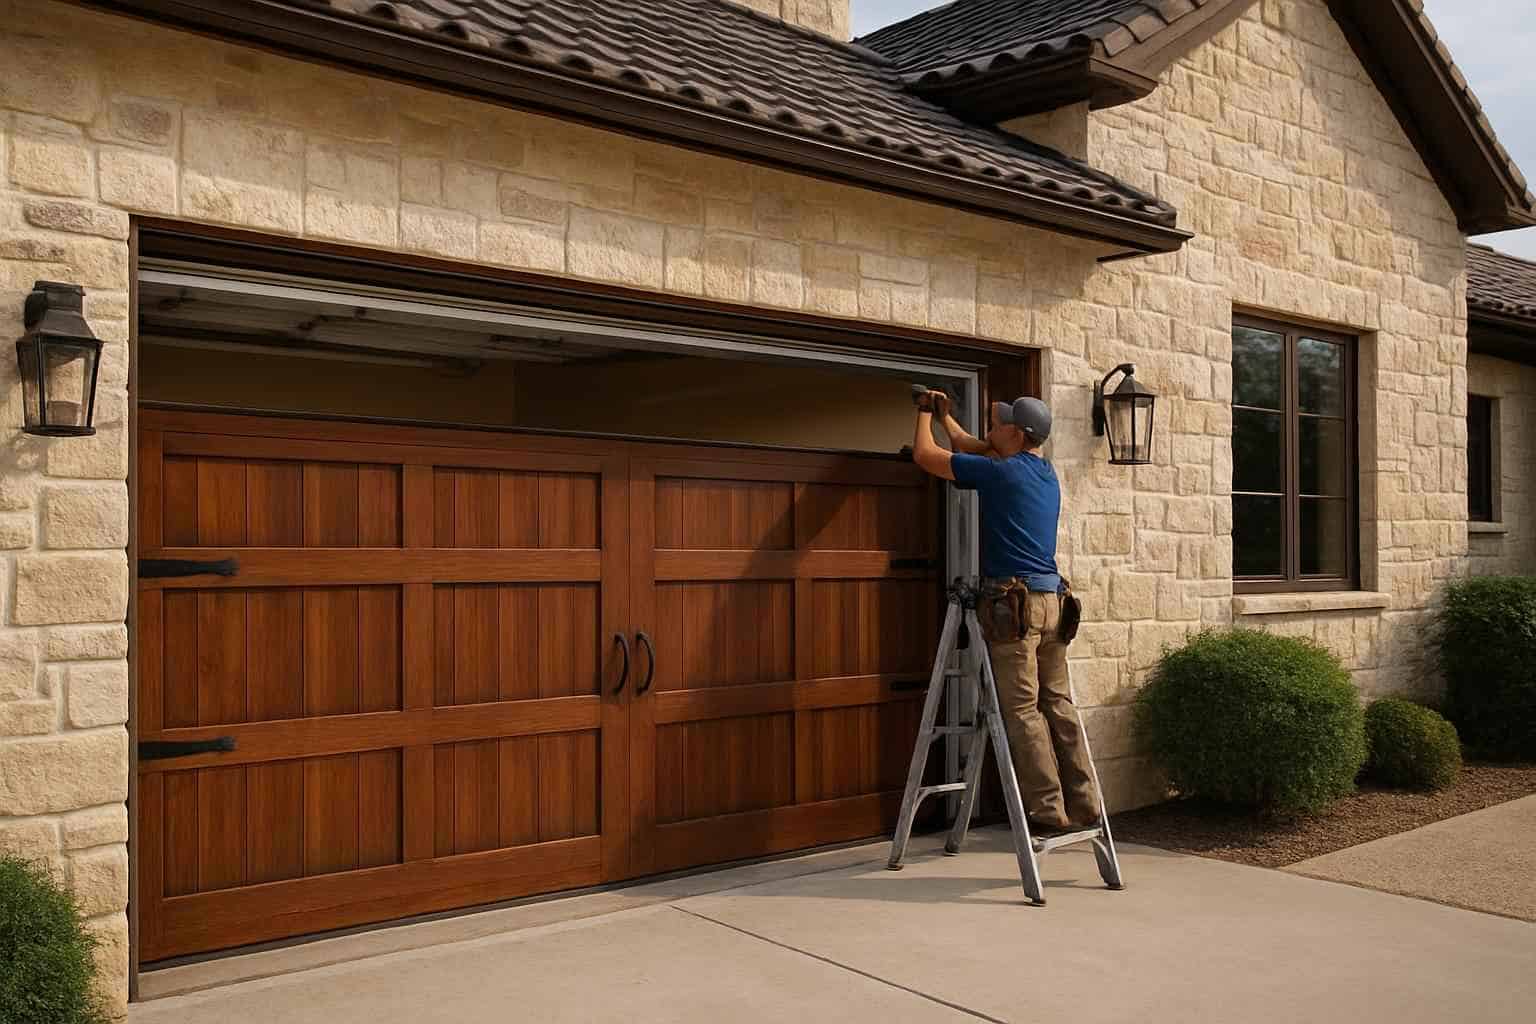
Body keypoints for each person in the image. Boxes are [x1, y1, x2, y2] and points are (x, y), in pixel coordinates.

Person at [910, 390, 1101, 834]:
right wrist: (949, 420)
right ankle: (1087, 800)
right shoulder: (1044, 471)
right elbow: (978, 447)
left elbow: (925, 456)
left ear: (1015, 433)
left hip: (1015, 607)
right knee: (1056, 702)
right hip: (1054, 604)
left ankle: (1048, 809)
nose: (989, 432)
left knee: (1020, 710)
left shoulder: (1000, 474)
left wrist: (924, 414)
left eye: (998, 425)